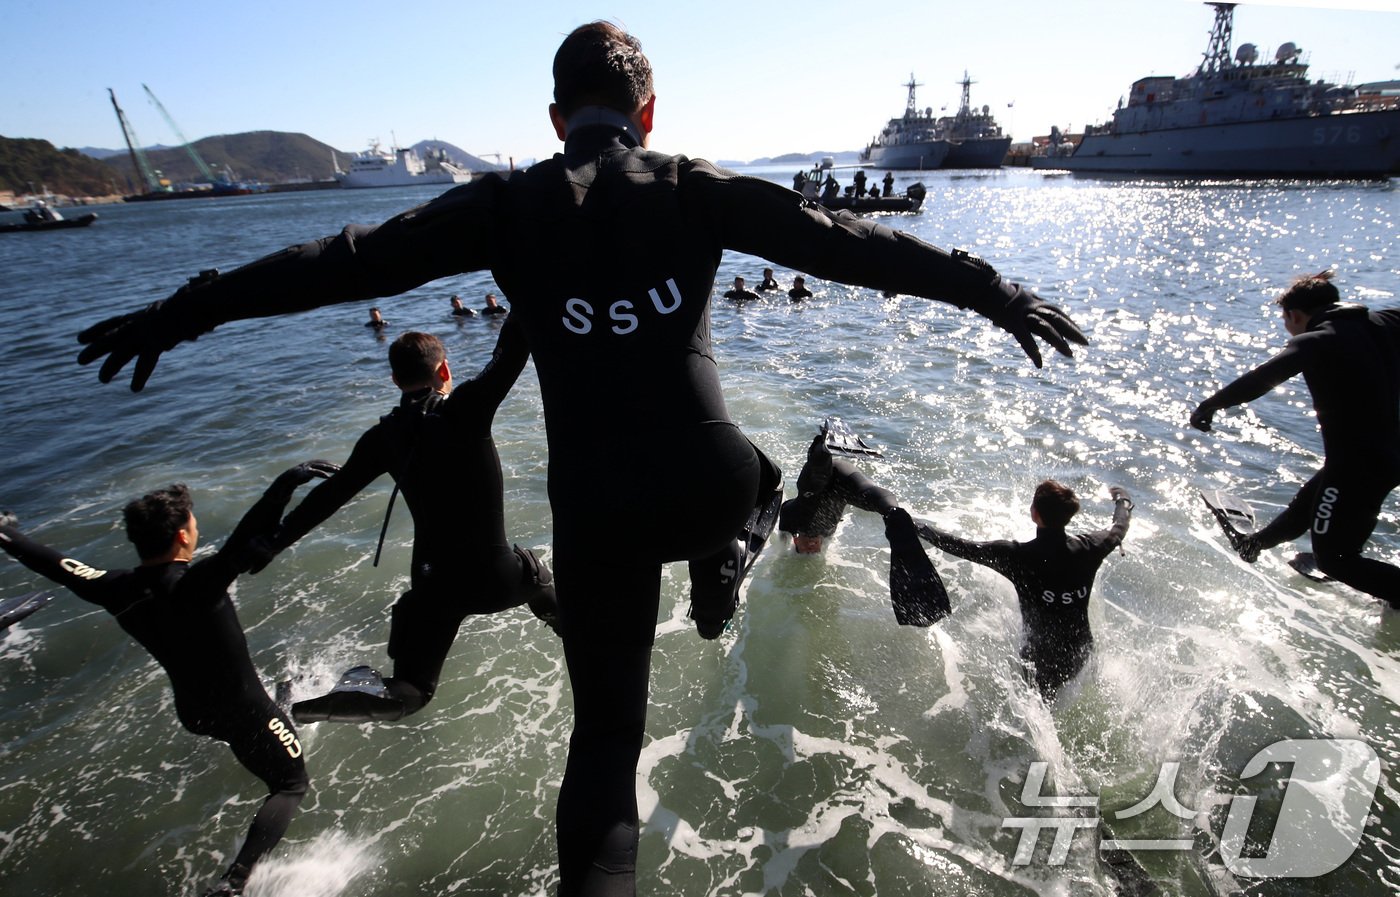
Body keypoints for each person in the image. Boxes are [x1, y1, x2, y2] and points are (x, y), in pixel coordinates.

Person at [75, 21, 1085, 895]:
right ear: (645, 114)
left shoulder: (504, 206)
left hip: (595, 508)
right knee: (760, 489)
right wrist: (987, 289)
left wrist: (187, 309)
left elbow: (338, 262)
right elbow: (839, 240)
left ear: (557, 119)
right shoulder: (693, 184)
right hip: (707, 477)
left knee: (603, 751)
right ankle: (722, 576)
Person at [0, 464, 335, 896]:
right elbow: (244, 536)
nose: (194, 530)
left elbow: (57, 565)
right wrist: (285, 483)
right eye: (192, 524)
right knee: (290, 784)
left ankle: (280, 714)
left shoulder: (114, 586)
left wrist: (8, 534)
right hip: (243, 710)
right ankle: (233, 884)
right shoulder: (197, 584)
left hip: (195, 713)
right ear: (182, 536)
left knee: (263, 722)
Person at [253, 323, 559, 722]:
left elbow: (327, 499)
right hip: (496, 578)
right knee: (539, 579)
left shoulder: (381, 438)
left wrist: (272, 543)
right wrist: (527, 298)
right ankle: (587, 640)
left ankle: (328, 703)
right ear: (445, 371)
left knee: (414, 690)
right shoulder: (466, 409)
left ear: (396, 379)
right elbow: (510, 352)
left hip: (432, 587)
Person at [1190, 270, 1400, 607]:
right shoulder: (1386, 321)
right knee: (1311, 501)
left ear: (1294, 315)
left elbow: (1262, 378)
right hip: (1386, 456)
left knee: (1335, 559)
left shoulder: (1317, 340)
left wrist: (1209, 405)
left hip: (1358, 466)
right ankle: (1254, 544)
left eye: (1285, 319)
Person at [915, 481, 1133, 701]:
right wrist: (1121, 497)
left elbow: (960, 546)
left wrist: (912, 525)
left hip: (1039, 659)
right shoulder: (1091, 547)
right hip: (1080, 652)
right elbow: (1120, 525)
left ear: (1035, 514)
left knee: (1040, 712)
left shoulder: (1017, 557)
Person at [779, 433, 949, 625]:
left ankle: (822, 446)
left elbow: (781, 541)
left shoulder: (791, 518)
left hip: (818, 483)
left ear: (796, 540)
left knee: (812, 484)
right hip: (843, 486)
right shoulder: (826, 535)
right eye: (813, 548)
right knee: (872, 499)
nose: (812, 547)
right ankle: (893, 511)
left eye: (806, 546)